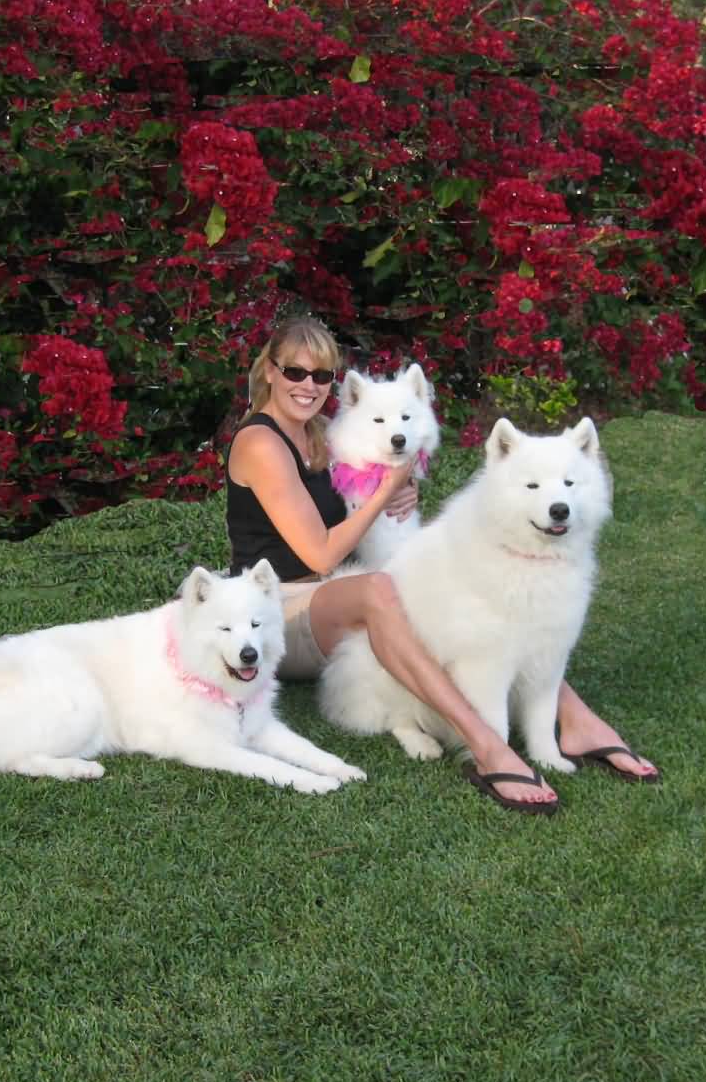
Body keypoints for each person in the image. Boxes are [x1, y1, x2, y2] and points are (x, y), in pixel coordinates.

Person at [224, 316, 658, 814]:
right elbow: (319, 553)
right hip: (280, 610)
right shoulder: (261, 442)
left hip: (330, 600)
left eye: (321, 376)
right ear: (270, 372)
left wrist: (399, 490)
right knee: (381, 591)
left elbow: (366, 497)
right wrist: (389, 485)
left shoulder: (320, 435)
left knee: (478, 608)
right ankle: (486, 743)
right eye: (296, 372)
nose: (309, 386)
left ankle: (575, 720)